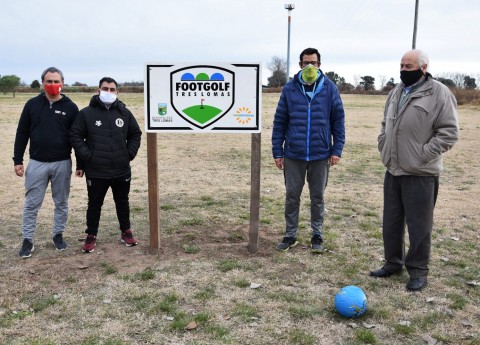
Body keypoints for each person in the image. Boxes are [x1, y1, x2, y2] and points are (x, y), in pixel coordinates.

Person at [370, 49, 459, 291]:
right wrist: (383, 144)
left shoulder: (439, 94)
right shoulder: (396, 91)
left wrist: (423, 155)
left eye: (408, 66)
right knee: (391, 222)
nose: (403, 71)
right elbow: (384, 124)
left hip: (421, 174)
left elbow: (449, 132)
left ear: (423, 68)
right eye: (401, 66)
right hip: (394, 169)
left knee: (419, 227)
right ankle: (392, 263)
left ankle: (418, 271)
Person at [272, 47, 346, 254]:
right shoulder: (290, 89)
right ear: (300, 65)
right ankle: (290, 234)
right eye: (306, 63)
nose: (310, 66)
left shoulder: (330, 88)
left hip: (320, 153)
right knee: (292, 196)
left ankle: (317, 234)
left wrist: (336, 149)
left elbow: (338, 120)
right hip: (293, 154)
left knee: (318, 197)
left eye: (313, 63)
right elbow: (280, 122)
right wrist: (278, 152)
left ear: (320, 65)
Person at [70, 77, 142, 253]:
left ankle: (126, 231)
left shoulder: (124, 113)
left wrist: (129, 154)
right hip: (96, 170)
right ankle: (91, 235)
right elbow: (75, 136)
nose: (108, 92)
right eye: (105, 88)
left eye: (112, 89)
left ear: (117, 92)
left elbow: (135, 133)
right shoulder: (86, 113)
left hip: (121, 168)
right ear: (98, 90)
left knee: (122, 202)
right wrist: (88, 157)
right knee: (94, 204)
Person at [13, 67, 79, 258]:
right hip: (37, 163)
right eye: (49, 81)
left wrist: (81, 164)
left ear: (62, 83)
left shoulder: (70, 107)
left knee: (61, 202)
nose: (52, 85)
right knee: (31, 204)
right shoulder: (32, 105)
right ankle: (27, 240)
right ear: (43, 83)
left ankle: (58, 235)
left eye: (56, 81)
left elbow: (77, 137)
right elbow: (22, 133)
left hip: (62, 163)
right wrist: (18, 160)